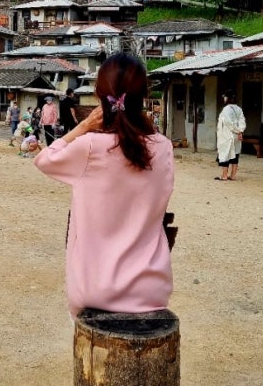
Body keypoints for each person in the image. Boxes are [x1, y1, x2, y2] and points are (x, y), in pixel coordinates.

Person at [34, 53, 174, 319]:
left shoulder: (90, 147)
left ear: (99, 95)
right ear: (144, 95)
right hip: (151, 291)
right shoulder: (164, 148)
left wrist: (85, 125)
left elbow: (44, 159)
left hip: (93, 289)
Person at [215, 89, 246, 181]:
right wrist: (240, 131)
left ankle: (224, 175)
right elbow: (242, 121)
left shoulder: (226, 109)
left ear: (227, 98)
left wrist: (236, 131)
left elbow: (229, 123)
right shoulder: (239, 109)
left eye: (225, 97)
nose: (224, 99)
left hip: (227, 135)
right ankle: (233, 175)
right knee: (235, 154)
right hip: (237, 135)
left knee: (225, 154)